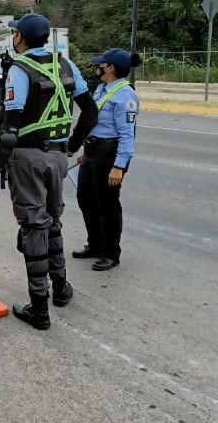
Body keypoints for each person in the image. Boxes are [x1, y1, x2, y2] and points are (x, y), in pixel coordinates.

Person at [0, 13, 98, 330]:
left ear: (21, 38)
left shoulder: (20, 70)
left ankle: (39, 309)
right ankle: (60, 289)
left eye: (14, 34)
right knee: (52, 221)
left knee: (33, 226)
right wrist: (71, 145)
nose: (13, 39)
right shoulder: (66, 65)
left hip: (29, 157)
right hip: (58, 157)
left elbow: (9, 130)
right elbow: (90, 111)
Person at [72, 48, 141, 272]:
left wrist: (119, 166)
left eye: (101, 64)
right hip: (93, 151)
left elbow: (127, 134)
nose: (98, 67)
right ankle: (95, 245)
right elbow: (96, 122)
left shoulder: (125, 95)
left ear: (110, 68)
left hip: (110, 155)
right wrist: (87, 150)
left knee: (108, 205)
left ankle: (111, 253)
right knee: (85, 199)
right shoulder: (102, 89)